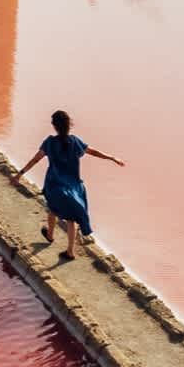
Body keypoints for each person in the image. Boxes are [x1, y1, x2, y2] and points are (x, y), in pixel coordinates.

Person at [15, 109, 124, 262]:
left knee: (52, 208)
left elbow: (35, 160)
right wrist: (112, 158)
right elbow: (94, 152)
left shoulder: (50, 143)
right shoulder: (75, 142)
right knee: (70, 219)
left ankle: (51, 235)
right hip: (74, 188)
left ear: (54, 126)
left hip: (55, 185)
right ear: (68, 125)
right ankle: (69, 250)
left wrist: (20, 174)